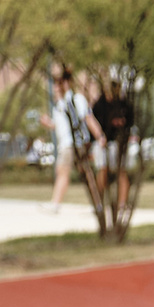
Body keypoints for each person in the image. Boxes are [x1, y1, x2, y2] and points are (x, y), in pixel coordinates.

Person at [90, 79, 133, 213]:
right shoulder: (99, 105)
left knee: (122, 171)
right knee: (102, 170)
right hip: (103, 143)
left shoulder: (123, 105)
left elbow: (130, 124)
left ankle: (122, 203)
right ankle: (99, 203)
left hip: (118, 143)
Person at [49, 72, 88, 211]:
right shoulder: (59, 104)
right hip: (65, 143)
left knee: (65, 171)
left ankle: (56, 203)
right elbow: (60, 125)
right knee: (63, 171)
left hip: (73, 143)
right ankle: (56, 202)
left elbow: (85, 119)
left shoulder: (74, 100)